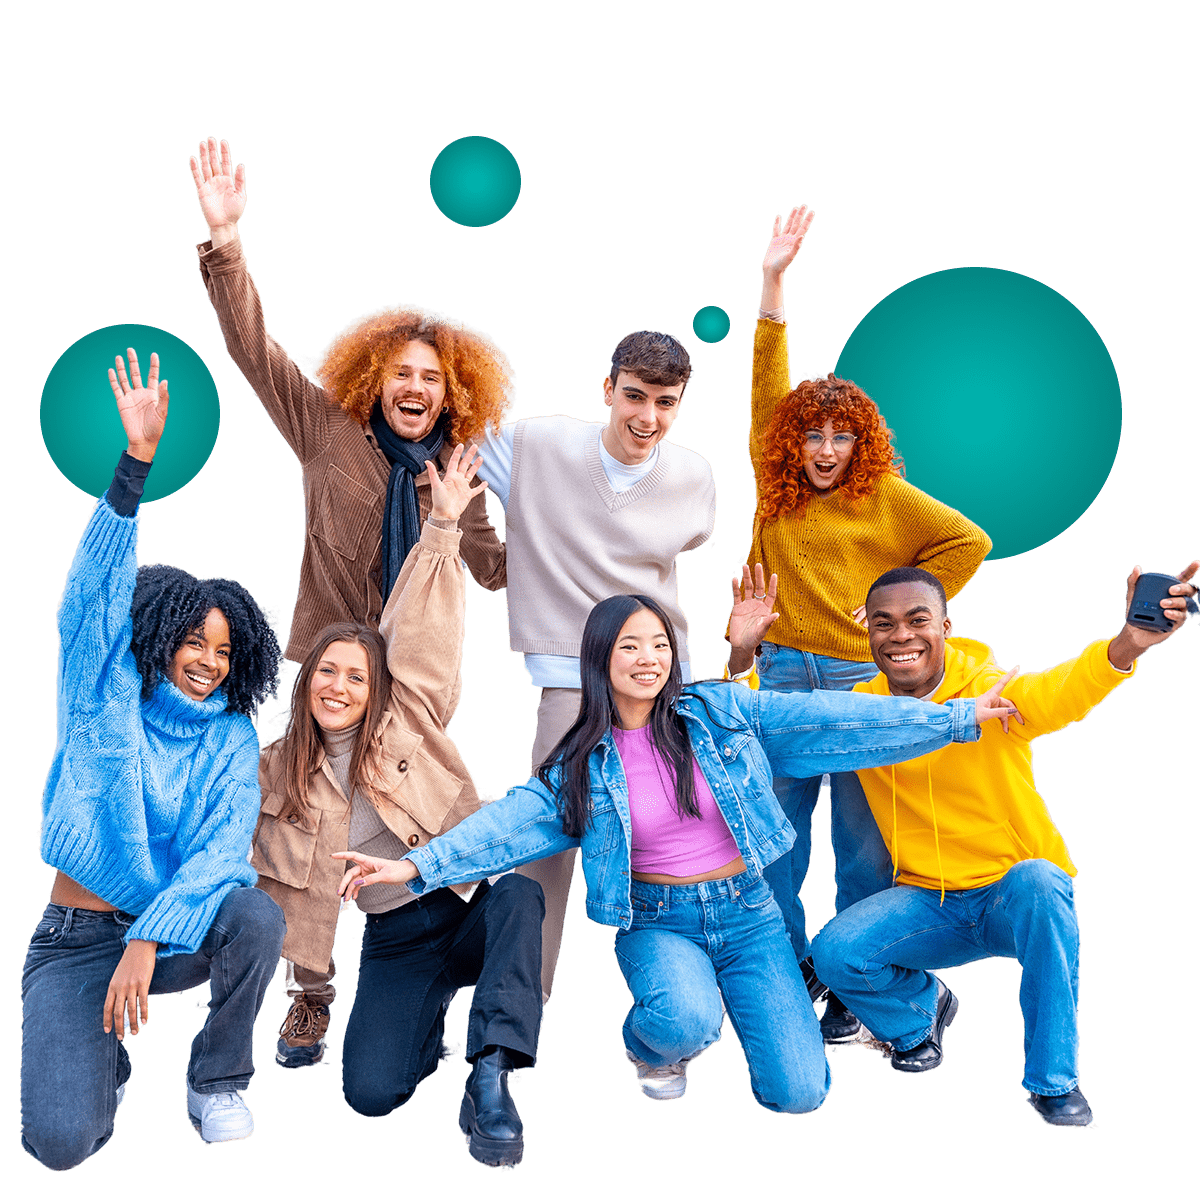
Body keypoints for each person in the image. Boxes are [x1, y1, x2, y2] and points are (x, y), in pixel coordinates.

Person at [334, 588, 1021, 1113]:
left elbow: (837, 718)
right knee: (682, 1018)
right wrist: (415, 866)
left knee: (800, 1094)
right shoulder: (580, 764)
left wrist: (957, 718)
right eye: (630, 646)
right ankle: (654, 1049)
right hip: (658, 919)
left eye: (659, 644)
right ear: (601, 658)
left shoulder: (720, 713)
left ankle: (736, 1015)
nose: (649, 660)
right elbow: (506, 825)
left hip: (750, 917)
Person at [811, 561, 1198, 1127]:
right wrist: (744, 657)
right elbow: (779, 724)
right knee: (835, 952)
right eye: (883, 623)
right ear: (867, 631)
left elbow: (1057, 694)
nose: (901, 636)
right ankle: (922, 1016)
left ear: (945, 627)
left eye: (918, 620)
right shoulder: (866, 709)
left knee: (1041, 879)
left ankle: (1054, 1085)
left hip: (1012, 895)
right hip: (930, 902)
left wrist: (1127, 645)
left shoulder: (991, 690)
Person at [21, 351, 287, 1168]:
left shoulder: (228, 738)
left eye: (223, 649)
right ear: (157, 641)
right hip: (74, 936)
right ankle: (109, 1059)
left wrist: (147, 941)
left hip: (163, 938)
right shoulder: (101, 696)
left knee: (255, 915)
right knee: (62, 1145)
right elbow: (89, 599)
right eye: (192, 642)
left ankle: (214, 1082)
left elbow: (218, 854)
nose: (207, 660)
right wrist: (135, 467)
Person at [737, 204, 991, 1039]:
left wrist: (891, 601)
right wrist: (773, 281)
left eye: (840, 436)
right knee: (771, 844)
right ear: (787, 441)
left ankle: (854, 985)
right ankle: (781, 977)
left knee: (865, 849)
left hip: (856, 681)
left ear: (860, 444)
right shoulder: (771, 479)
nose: (822, 447)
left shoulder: (881, 497)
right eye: (811, 434)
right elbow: (770, 369)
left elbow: (967, 540)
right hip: (776, 677)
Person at [253, 445, 544, 1171]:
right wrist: (309, 986)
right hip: (397, 938)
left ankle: (492, 1072)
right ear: (307, 682)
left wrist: (444, 525)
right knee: (371, 1094)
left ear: (376, 685)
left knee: (522, 897)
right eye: (328, 672)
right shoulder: (278, 773)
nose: (341, 686)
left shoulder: (408, 716)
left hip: (464, 902)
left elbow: (423, 628)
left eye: (357, 675)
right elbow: (282, 891)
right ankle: (425, 1032)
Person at [189, 136, 511, 663]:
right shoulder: (326, 427)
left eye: (432, 378)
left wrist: (573, 525)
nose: (415, 387)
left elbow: (494, 570)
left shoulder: (458, 469)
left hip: (412, 677)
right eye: (400, 373)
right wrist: (225, 236)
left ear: (451, 393)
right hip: (327, 669)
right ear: (374, 381)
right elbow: (250, 348)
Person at [476, 328, 716, 1002]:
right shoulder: (539, 444)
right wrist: (485, 548)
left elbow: (673, 558)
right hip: (568, 683)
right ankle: (524, 1008)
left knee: (672, 848)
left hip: (664, 687)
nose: (648, 417)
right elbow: (452, 454)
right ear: (608, 390)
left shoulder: (693, 475)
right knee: (544, 846)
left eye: (665, 403)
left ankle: (673, 1015)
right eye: (635, 396)